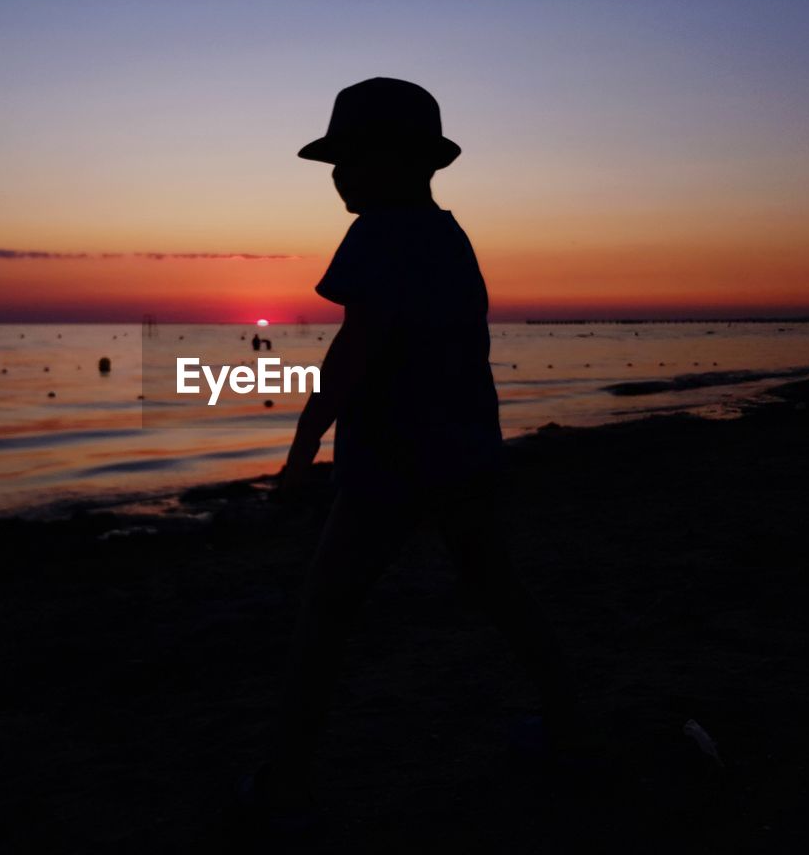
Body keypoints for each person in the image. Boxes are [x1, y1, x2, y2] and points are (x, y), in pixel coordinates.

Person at [241, 78, 578, 823]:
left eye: (349, 158)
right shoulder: (448, 236)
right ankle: (571, 726)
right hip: (466, 454)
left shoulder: (379, 236)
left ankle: (286, 782)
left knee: (325, 614)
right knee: (498, 590)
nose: (336, 175)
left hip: (392, 464)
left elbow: (354, 353)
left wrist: (302, 449)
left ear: (399, 161)